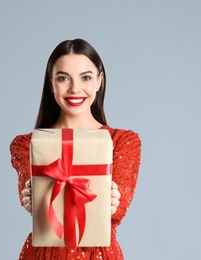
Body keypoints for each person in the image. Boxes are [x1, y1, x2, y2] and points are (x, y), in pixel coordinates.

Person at [10, 38, 141, 259]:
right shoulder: (27, 144)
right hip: (44, 254)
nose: (75, 89)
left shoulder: (122, 142)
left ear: (99, 81)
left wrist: (113, 201)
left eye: (86, 78)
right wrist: (31, 196)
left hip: (98, 254)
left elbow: (117, 212)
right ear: (51, 83)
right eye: (63, 78)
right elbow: (34, 203)